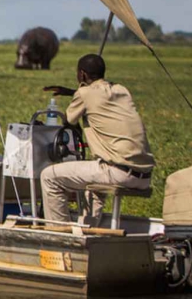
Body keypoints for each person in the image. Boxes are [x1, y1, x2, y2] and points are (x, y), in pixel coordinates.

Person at [40, 54, 154, 225]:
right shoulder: (122, 90)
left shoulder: (84, 93)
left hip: (116, 172)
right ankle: (86, 230)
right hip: (144, 176)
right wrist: (73, 92)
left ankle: (58, 232)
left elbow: (68, 121)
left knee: (49, 176)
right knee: (93, 187)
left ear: (83, 75)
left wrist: (77, 92)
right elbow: (97, 96)